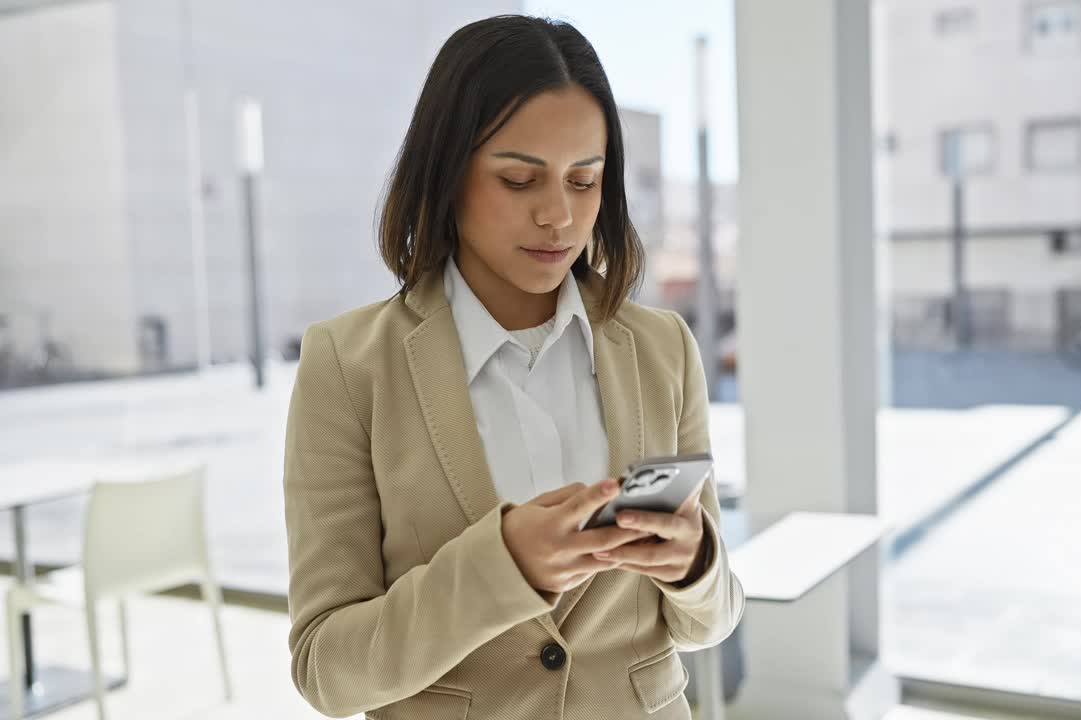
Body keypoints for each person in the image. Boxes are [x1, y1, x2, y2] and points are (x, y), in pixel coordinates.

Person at [282, 14, 744, 720]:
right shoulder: (348, 365)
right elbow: (327, 670)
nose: (559, 216)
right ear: (448, 174)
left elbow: (707, 620)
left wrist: (695, 565)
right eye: (519, 180)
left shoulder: (662, 349)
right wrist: (502, 567)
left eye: (584, 181)